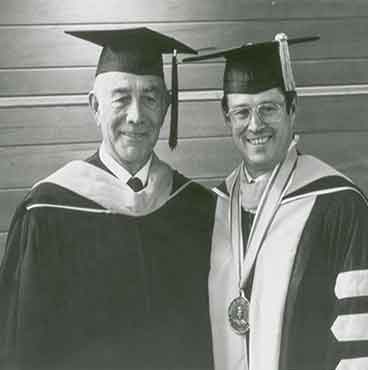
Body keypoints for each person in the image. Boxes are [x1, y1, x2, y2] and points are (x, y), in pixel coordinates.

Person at [0, 27, 216, 370]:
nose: (135, 115)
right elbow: (23, 345)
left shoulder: (198, 208)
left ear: (166, 107)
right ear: (95, 106)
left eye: (149, 97)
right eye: (120, 97)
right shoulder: (47, 211)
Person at [184, 34, 368, 370]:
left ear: (292, 109)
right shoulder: (212, 209)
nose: (255, 125)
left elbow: (361, 343)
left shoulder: (340, 206)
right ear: (227, 117)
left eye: (268, 108)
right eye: (242, 112)